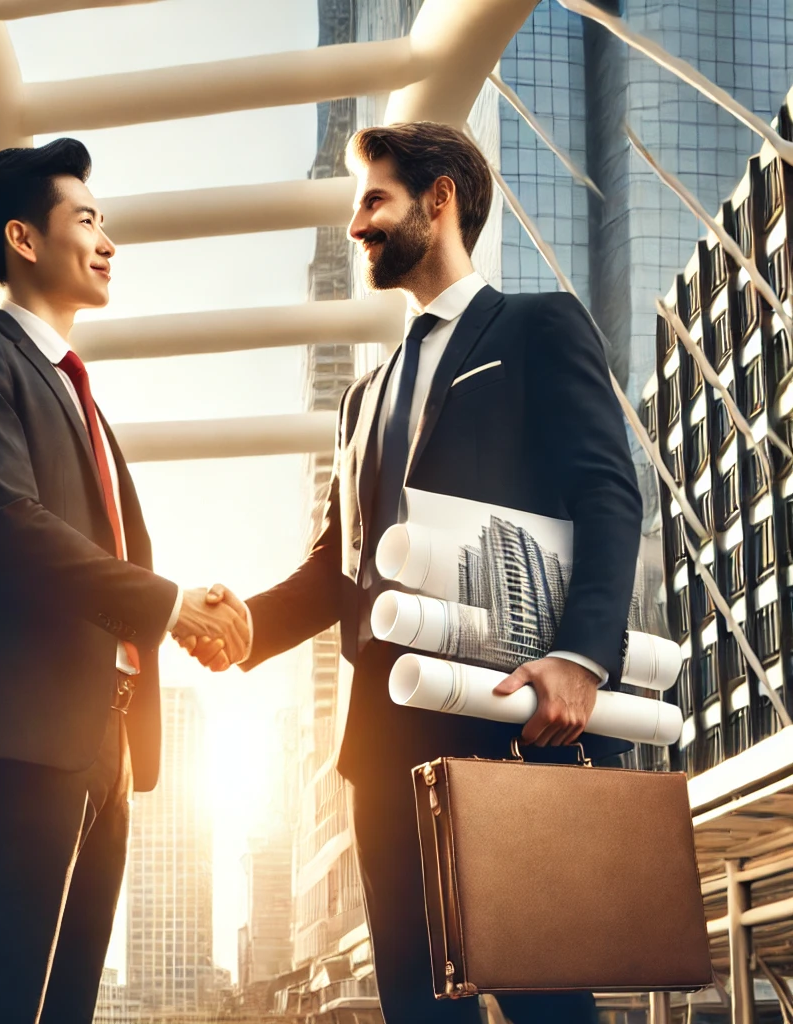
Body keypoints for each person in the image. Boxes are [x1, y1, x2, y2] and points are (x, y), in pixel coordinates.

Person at [182, 121, 642, 1023]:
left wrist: (582, 659)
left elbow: (609, 494)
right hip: (382, 748)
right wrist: (244, 630)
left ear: (441, 200)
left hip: (510, 718)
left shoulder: (539, 327)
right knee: (416, 1002)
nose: (358, 224)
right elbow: (337, 569)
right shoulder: (363, 397)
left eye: (374, 200)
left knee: (545, 994)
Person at [0, 138, 249, 1024]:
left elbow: (107, 559)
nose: (108, 241)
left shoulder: (83, 399)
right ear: (23, 240)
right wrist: (173, 604)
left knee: (62, 1010)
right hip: (24, 734)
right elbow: (10, 529)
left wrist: (178, 613)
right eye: (88, 220)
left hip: (110, 738)